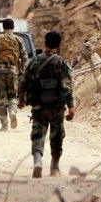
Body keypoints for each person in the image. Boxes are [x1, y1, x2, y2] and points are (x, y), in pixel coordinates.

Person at [19, 30, 74, 178]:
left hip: (39, 105)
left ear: (45, 43)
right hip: (56, 107)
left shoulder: (35, 61)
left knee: (38, 133)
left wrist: (21, 98)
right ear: (59, 44)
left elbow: (24, 80)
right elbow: (67, 86)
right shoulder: (61, 62)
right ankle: (54, 167)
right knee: (57, 136)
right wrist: (71, 107)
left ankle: (37, 161)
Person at [0, 18, 27, 131]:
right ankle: (12, 111)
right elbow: (24, 56)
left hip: (0, 70)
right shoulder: (18, 39)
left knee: (1, 98)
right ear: (13, 27)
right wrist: (22, 69)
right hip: (13, 70)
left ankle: (4, 124)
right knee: (12, 95)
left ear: (3, 27)